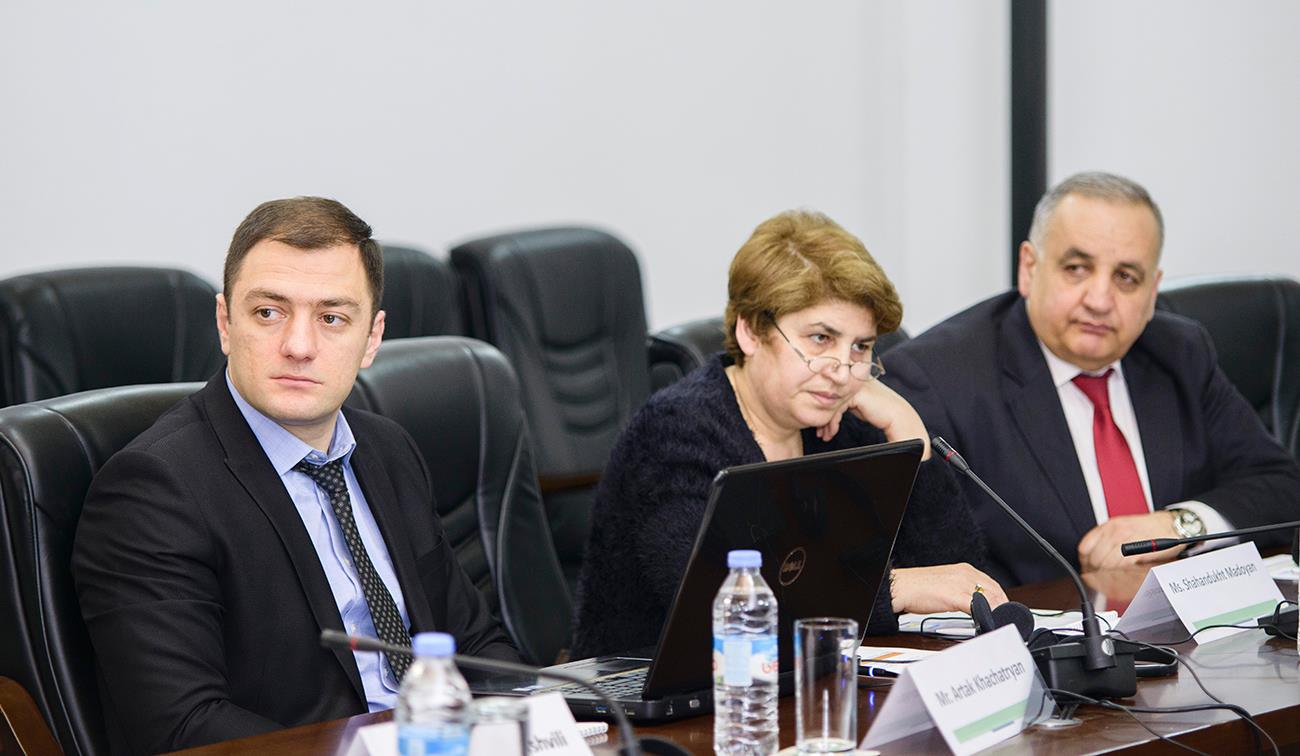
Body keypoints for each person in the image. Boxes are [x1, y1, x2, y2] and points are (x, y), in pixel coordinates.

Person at [72, 197, 517, 754]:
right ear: (225, 323)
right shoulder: (153, 490)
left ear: (372, 339)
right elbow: (183, 726)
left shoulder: (388, 449)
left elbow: (474, 641)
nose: (299, 347)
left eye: (332, 318)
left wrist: (531, 727)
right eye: (268, 313)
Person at [571, 210, 1003, 659]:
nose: (842, 371)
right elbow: (727, 608)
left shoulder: (845, 424)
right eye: (821, 339)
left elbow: (957, 579)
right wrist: (893, 589)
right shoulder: (672, 435)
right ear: (750, 331)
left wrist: (910, 435)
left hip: (814, 678)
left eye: (861, 347)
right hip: (651, 690)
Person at [883, 171, 1300, 586]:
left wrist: (1179, 525)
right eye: (1077, 268)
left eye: (1126, 278)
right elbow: (920, 564)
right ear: (1029, 268)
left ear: (1152, 291)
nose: (1100, 300)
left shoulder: (1179, 353)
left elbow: (1282, 486)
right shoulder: (936, 380)